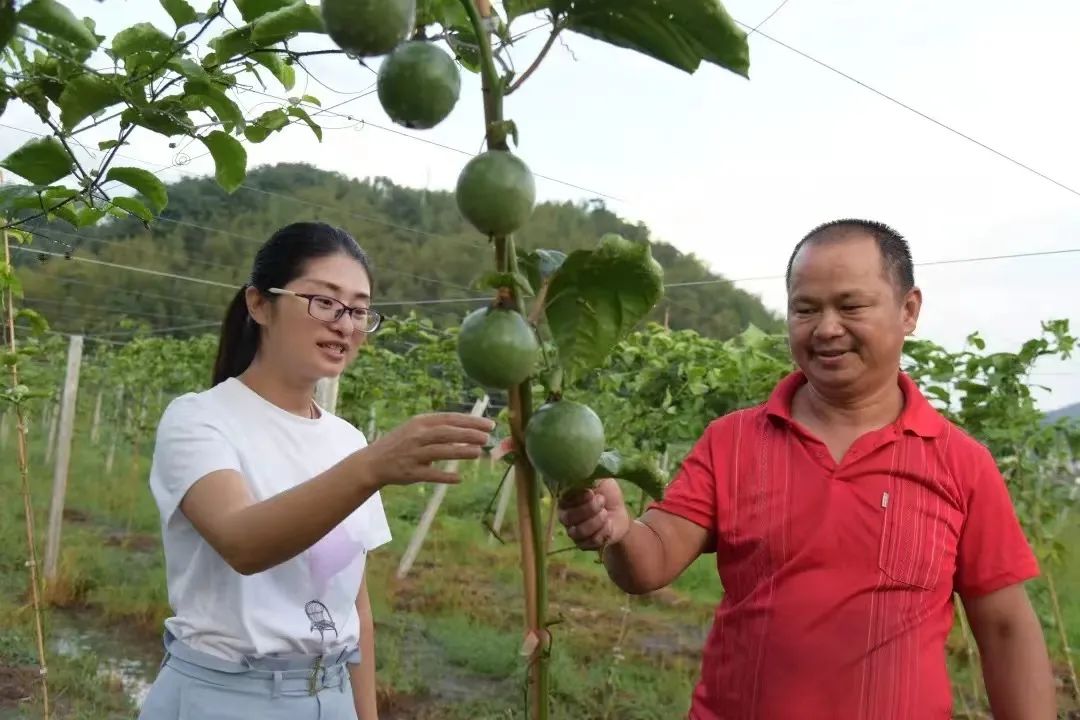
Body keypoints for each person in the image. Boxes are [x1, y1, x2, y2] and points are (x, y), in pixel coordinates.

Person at [557, 219, 1058, 719]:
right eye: (806, 309)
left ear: (908, 310)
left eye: (851, 306)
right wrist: (619, 532)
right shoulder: (731, 442)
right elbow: (651, 561)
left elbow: (1005, 627)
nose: (827, 328)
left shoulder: (960, 462)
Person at [137, 222, 494, 720]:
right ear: (259, 305)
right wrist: (371, 467)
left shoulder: (346, 440)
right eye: (324, 302)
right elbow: (242, 542)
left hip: (331, 697)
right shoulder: (199, 418)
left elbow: (355, 607)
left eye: (359, 309)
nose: (345, 324)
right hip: (224, 696)